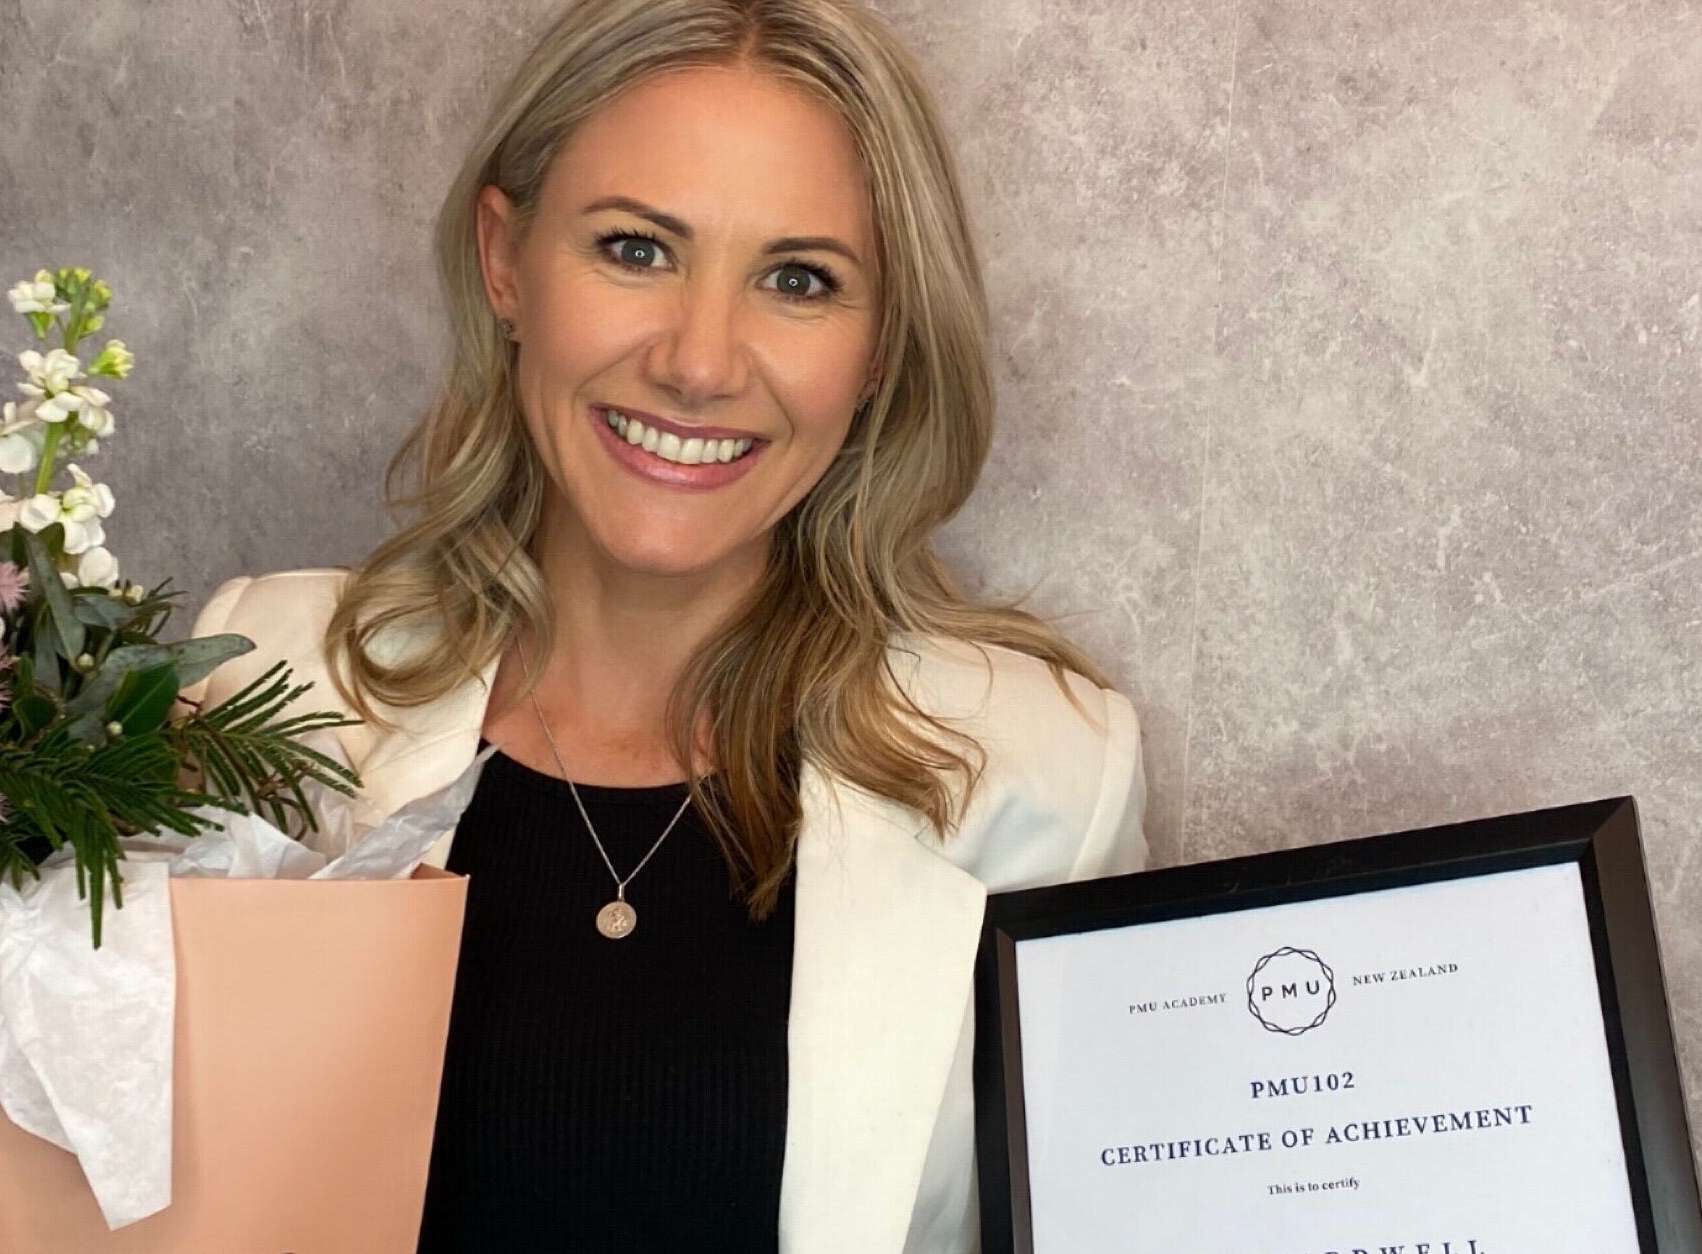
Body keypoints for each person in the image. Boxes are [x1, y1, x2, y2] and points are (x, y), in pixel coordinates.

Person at [176, 0, 1149, 1248]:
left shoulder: (1047, 778)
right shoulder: (272, 675)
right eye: (637, 249)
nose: (700, 361)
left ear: (883, 345)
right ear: (504, 259)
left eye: (799, 280)